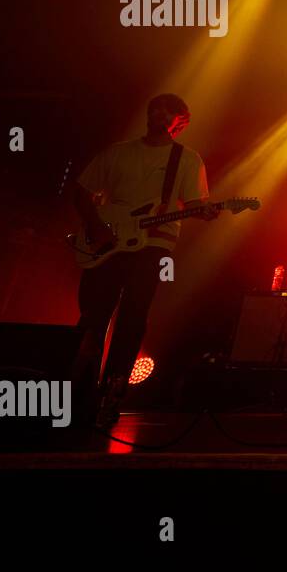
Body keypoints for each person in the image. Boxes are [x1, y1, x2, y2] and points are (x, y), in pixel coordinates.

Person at [69, 94, 216, 427]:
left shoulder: (187, 160)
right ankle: (77, 391)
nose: (160, 114)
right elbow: (81, 190)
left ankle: (113, 389)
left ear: (182, 122)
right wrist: (96, 226)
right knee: (93, 316)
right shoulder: (119, 152)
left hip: (152, 247)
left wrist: (207, 212)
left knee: (133, 315)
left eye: (170, 111)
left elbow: (194, 202)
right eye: (155, 108)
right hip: (105, 244)